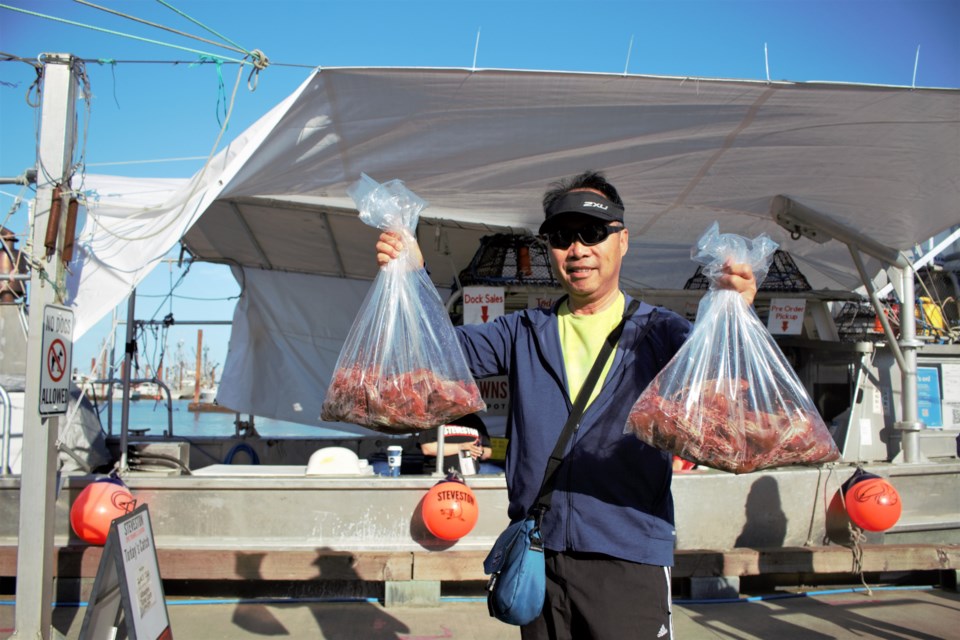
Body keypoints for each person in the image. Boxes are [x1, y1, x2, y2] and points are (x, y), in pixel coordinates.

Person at [376, 170, 757, 640]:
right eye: (561, 237)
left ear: (622, 241)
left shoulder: (663, 333)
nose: (577, 250)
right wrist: (413, 275)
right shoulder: (522, 331)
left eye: (593, 234)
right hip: (540, 552)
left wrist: (732, 312)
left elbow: (723, 381)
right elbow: (440, 352)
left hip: (627, 555)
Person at [416, 412, 493, 475]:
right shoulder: (435, 418)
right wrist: (461, 447)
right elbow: (427, 448)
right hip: (440, 478)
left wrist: (479, 450)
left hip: (469, 478)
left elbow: (488, 451)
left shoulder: (475, 420)